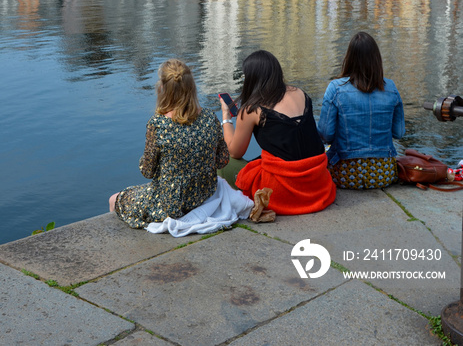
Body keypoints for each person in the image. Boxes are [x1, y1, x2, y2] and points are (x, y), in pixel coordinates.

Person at [109, 59, 230, 228]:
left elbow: (147, 172)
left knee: (115, 199)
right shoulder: (210, 118)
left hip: (171, 205)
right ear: (192, 87)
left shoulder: (158, 124)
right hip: (205, 194)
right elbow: (222, 160)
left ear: (163, 89)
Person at [220, 50, 336, 215]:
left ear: (251, 78)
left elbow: (234, 152)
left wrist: (226, 116)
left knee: (225, 163)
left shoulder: (252, 109)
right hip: (317, 185)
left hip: (282, 190)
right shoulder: (301, 94)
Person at [318, 32, 405, 190]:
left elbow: (325, 135)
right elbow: (399, 133)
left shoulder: (336, 88)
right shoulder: (391, 88)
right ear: (377, 59)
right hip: (383, 174)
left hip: (343, 173)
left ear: (349, 58)